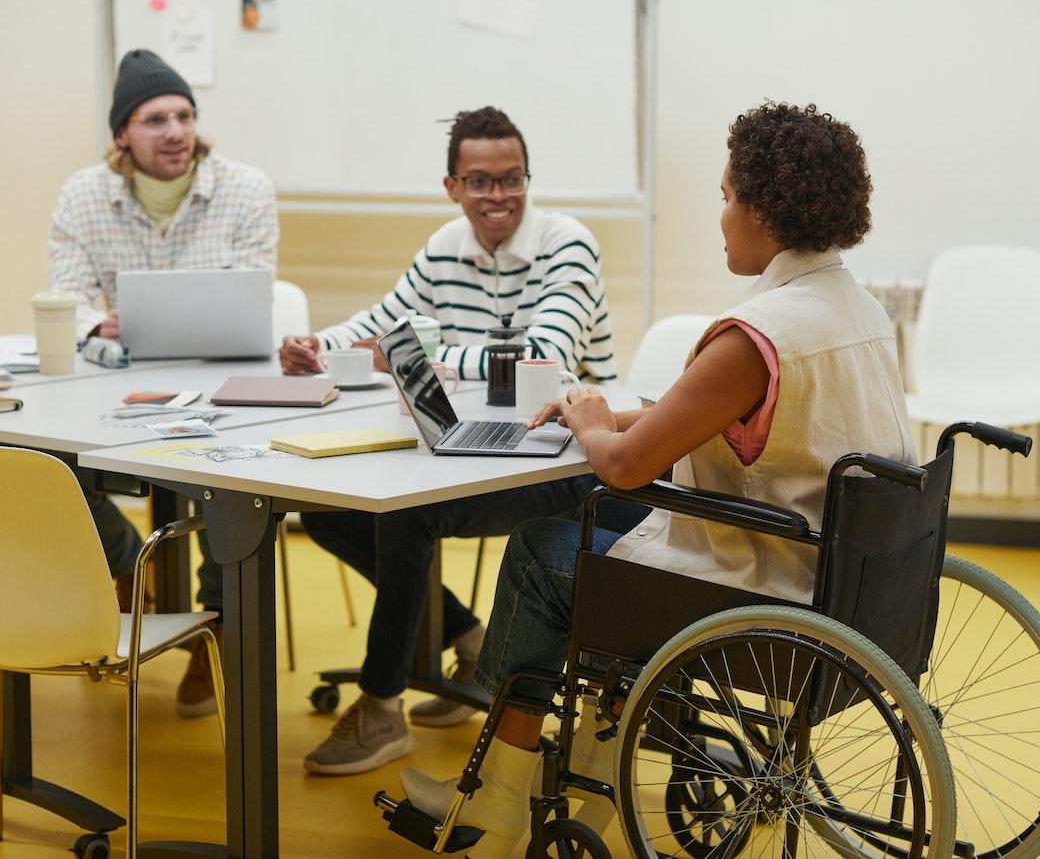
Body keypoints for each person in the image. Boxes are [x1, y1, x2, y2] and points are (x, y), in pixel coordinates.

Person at [397, 102, 914, 857]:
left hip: (762, 588)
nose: (722, 216)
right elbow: (721, 416)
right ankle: (596, 752)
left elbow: (624, 466)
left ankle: (498, 801)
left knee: (546, 550)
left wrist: (585, 416)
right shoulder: (853, 306)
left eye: (727, 197)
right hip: (845, 581)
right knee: (605, 542)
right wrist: (626, 411)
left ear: (765, 209)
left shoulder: (756, 335)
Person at [278, 107, 640, 776]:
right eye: (479, 181)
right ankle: (468, 638)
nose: (497, 196)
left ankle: (382, 703)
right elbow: (385, 320)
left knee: (409, 512)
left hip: (569, 454)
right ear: (452, 186)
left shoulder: (569, 243)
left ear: (528, 179)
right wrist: (318, 345)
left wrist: (429, 355)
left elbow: (543, 357)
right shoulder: (446, 244)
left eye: (511, 179)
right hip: (477, 443)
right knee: (327, 512)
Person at [48, 48, 278, 718]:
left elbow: (250, 296)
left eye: (184, 115)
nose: (175, 130)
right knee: (46, 459)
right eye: (155, 119)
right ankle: (126, 567)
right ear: (123, 134)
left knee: (231, 480)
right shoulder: (84, 193)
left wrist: (143, 320)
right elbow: (68, 299)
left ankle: (216, 624)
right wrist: (98, 321)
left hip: (220, 388)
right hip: (110, 392)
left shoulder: (245, 188)